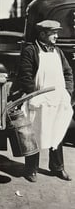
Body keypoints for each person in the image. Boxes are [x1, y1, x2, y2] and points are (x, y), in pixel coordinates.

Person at [17, 19, 74, 182]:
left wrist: (67, 92)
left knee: (57, 133)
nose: (56, 36)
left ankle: (57, 168)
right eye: (53, 33)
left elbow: (68, 73)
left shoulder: (58, 52)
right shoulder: (31, 50)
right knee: (33, 134)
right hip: (38, 101)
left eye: (56, 33)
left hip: (57, 100)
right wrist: (35, 93)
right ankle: (31, 169)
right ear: (42, 34)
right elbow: (25, 77)